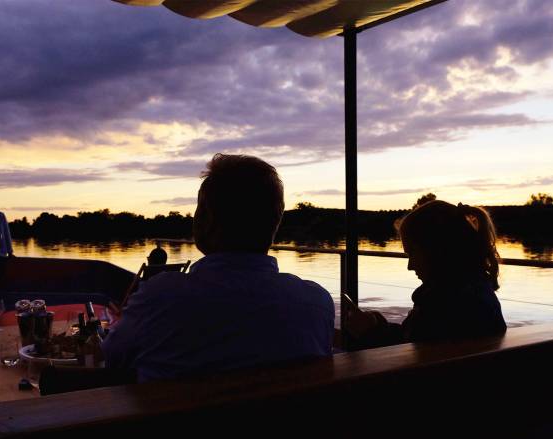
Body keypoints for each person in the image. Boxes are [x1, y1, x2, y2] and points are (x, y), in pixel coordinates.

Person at [103, 154, 335, 382]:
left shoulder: (159, 297)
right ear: (275, 223)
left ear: (206, 219)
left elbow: (113, 359)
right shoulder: (317, 303)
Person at [344, 200, 506, 347]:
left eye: (413, 253)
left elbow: (408, 358)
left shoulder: (441, 303)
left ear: (439, 251)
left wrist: (368, 334)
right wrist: (377, 325)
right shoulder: (477, 291)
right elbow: (415, 339)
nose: (410, 266)